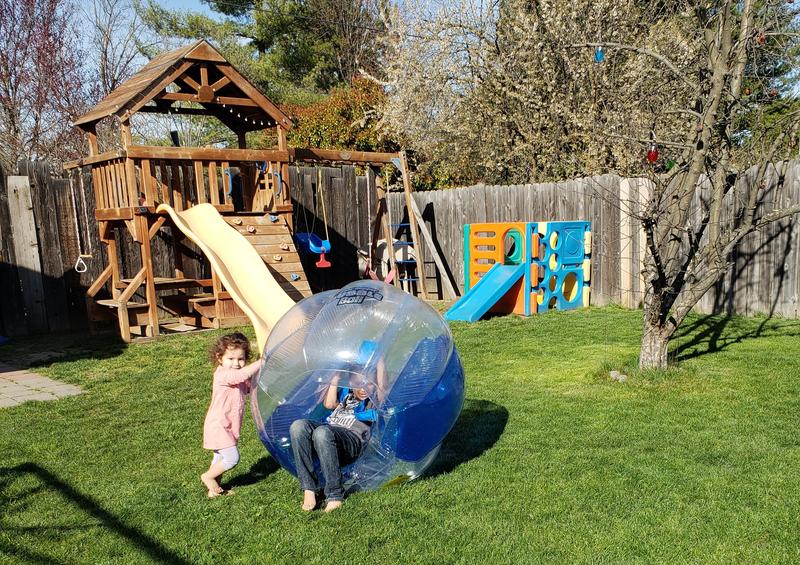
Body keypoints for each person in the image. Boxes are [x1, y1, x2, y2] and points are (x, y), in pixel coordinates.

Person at [289, 362, 383, 512]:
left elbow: (382, 389)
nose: (363, 388)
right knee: (298, 426)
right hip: (330, 435)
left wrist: (380, 361)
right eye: (358, 383)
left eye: (369, 383)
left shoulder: (372, 401)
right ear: (350, 382)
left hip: (352, 441)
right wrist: (336, 376)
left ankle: (334, 494)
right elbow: (329, 403)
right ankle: (309, 488)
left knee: (322, 433)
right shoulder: (347, 394)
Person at [201, 332, 261, 498]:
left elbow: (249, 385)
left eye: (241, 359)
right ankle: (208, 476)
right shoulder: (222, 374)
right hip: (218, 425)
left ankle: (214, 490)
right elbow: (240, 376)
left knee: (219, 458)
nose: (236, 363)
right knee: (232, 458)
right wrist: (261, 362)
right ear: (219, 358)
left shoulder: (237, 375)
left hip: (228, 426)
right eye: (231, 359)